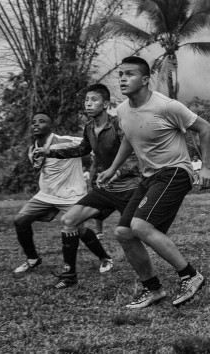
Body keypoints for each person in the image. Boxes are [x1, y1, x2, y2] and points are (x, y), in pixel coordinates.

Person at [98, 56, 210, 309]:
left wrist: (206, 167)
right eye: (120, 74)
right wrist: (112, 169)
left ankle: (190, 275)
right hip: (149, 176)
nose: (123, 79)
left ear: (145, 79)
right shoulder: (122, 110)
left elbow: (205, 129)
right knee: (124, 233)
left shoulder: (166, 106)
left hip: (175, 171)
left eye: (129, 74)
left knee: (140, 225)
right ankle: (153, 289)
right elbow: (129, 138)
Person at [34, 83, 142, 289]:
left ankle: (165, 274)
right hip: (106, 190)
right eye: (86, 100)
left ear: (106, 104)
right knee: (69, 220)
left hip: (130, 189)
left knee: (136, 234)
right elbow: (82, 149)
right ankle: (69, 275)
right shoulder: (89, 128)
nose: (89, 104)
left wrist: (116, 171)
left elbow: (136, 157)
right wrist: (51, 152)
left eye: (94, 100)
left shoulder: (119, 125)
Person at [13, 112, 110, 276]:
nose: (36, 124)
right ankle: (32, 259)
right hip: (46, 195)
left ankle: (105, 258)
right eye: (34, 122)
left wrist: (102, 170)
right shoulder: (32, 150)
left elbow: (95, 146)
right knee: (20, 220)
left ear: (50, 126)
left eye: (42, 121)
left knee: (78, 229)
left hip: (71, 195)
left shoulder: (67, 141)